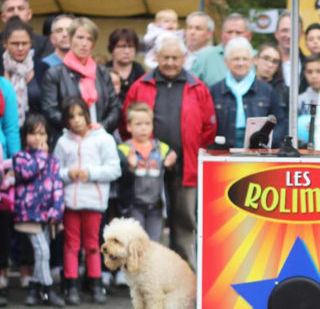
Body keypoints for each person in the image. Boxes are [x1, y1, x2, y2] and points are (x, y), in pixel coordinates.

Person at [122, 33, 216, 270]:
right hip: (148, 170)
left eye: (176, 58)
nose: (171, 63)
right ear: (156, 57)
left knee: (184, 222)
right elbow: (126, 123)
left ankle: (186, 274)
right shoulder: (140, 85)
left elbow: (209, 128)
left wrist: (188, 151)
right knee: (150, 221)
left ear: (184, 57)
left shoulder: (198, 88)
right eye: (166, 58)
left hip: (187, 168)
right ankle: (150, 272)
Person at [53, 97, 121, 305]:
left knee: (93, 245)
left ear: (87, 115)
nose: (76, 120)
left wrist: (90, 173)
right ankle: (71, 285)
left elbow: (114, 169)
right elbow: (54, 170)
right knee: (71, 245)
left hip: (94, 201)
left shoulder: (104, 138)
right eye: (71, 116)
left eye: (80, 115)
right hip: (70, 201)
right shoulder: (63, 141)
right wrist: (67, 173)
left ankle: (95, 284)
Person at [12, 114, 64, 307]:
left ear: (48, 136)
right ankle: (49, 289)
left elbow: (58, 187)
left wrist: (56, 212)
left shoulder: (53, 160)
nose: (37, 138)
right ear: (25, 136)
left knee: (43, 252)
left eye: (41, 133)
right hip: (29, 214)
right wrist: (42, 156)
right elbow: (27, 173)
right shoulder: (20, 158)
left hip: (48, 214)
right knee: (42, 251)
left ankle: (35, 288)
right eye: (32, 133)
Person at [41, 17, 121, 139]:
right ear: (70, 38)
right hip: (68, 138)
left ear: (93, 44)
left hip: (100, 136)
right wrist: (76, 126)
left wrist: (102, 126)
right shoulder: (55, 73)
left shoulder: (102, 72)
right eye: (80, 37)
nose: (84, 43)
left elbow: (114, 107)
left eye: (89, 39)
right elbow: (50, 110)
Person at [117, 102, 176, 242]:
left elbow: (172, 174)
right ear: (129, 126)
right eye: (138, 124)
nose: (143, 128)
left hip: (156, 206)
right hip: (133, 206)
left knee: (153, 243)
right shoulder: (124, 149)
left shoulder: (162, 148)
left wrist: (171, 165)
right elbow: (119, 179)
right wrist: (129, 167)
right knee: (135, 242)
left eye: (147, 123)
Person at [210, 37, 284, 148]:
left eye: (245, 59)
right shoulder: (215, 90)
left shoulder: (267, 90)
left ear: (252, 61)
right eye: (236, 59)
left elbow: (280, 122)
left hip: (258, 153)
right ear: (226, 61)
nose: (241, 63)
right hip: (222, 153)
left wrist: (267, 142)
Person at [2, 16, 48, 123]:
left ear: (31, 43)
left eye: (24, 43)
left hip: (35, 131)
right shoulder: (1, 68)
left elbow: (47, 105)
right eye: (15, 44)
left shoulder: (42, 68)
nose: (20, 48)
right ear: (5, 44)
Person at [0, 74, 20, 307]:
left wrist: (15, 165)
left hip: (1, 163)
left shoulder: (4, 86)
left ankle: (1, 280)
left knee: (2, 224)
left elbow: (12, 127)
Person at [190, 13, 252, 87]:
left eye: (238, 32)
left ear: (248, 36)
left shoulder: (256, 57)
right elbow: (190, 87)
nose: (233, 36)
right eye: (229, 32)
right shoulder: (205, 56)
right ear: (222, 34)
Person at [0, 0, 53, 74]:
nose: (16, 13)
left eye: (20, 9)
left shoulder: (44, 43)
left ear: (29, 14)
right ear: (3, 17)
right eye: (10, 10)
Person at [298, 53, 320, 146]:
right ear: (304, 74)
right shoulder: (299, 100)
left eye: (319, 71)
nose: (314, 76)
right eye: (310, 72)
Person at [105, 28, 145, 102]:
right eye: (121, 46)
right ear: (112, 49)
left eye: (130, 46)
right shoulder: (103, 72)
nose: (127, 51)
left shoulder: (142, 75)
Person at [255, 43, 288, 122]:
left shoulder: (285, 92)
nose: (269, 65)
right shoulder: (245, 87)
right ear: (256, 60)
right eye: (266, 58)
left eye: (275, 61)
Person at [274, 11, 304, 86]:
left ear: (301, 34)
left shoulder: (308, 65)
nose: (289, 36)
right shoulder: (265, 63)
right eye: (284, 30)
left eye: (294, 31)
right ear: (276, 33)